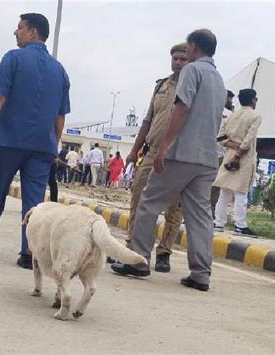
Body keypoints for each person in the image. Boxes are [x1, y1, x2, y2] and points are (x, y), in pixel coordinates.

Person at [112, 29, 226, 292]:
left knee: (149, 202)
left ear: (194, 47)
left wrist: (164, 145)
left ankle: (138, 261)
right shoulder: (219, 79)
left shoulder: (192, 71)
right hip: (207, 157)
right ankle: (200, 274)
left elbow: (182, 108)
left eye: (187, 49)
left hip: (182, 152)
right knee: (199, 216)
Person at [0, 13, 70, 269]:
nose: (16, 32)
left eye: (20, 28)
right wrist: (53, 144)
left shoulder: (13, 58)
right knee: (34, 200)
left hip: (10, 139)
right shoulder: (60, 70)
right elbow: (60, 114)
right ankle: (29, 252)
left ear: (33, 32)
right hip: (42, 146)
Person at [122, 43, 188, 272]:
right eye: (175, 59)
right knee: (138, 198)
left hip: (178, 154)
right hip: (151, 150)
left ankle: (164, 252)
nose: (178, 62)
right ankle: (131, 248)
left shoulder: (192, 85)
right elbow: (147, 120)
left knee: (174, 207)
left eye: (183, 59)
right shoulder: (161, 86)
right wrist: (133, 151)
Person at [213, 89, 261, 236]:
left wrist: (231, 146)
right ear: (253, 100)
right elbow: (249, 139)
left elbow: (220, 137)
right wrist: (239, 152)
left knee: (225, 191)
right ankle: (240, 225)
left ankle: (219, 222)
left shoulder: (232, 117)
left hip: (229, 154)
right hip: (243, 158)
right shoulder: (255, 116)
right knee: (241, 192)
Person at [211, 90, 235, 218]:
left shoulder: (209, 109)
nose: (231, 102)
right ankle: (210, 210)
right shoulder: (231, 114)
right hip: (220, 153)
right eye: (230, 99)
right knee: (216, 184)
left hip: (205, 150)